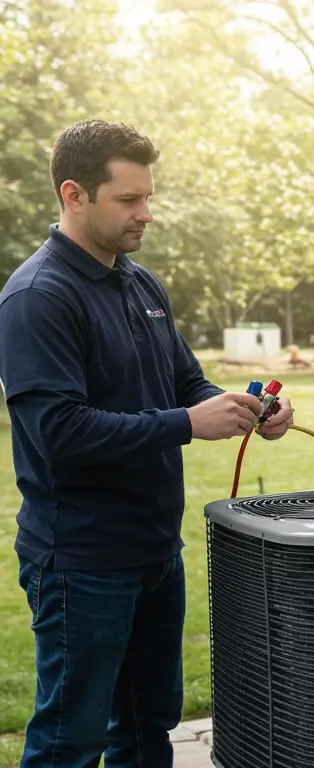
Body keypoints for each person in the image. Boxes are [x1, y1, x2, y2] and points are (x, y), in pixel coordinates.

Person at [0, 120, 294, 767]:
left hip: (155, 552)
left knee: (146, 726)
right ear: (74, 195)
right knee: (68, 740)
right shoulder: (37, 297)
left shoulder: (139, 283)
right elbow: (59, 432)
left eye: (147, 197)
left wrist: (253, 408)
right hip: (81, 561)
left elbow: (185, 381)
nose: (147, 214)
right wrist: (187, 424)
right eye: (129, 200)